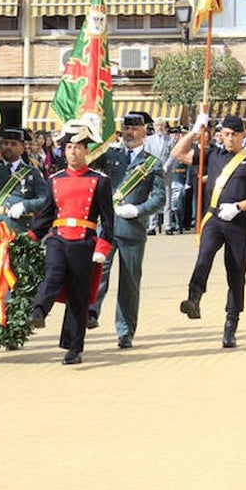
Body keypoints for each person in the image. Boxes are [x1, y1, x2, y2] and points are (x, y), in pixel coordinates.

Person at [173, 113, 246, 349]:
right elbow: (179, 153)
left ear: (242, 135)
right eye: (225, 134)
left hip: (237, 222)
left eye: (233, 135)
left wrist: (239, 206)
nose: (229, 139)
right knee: (204, 257)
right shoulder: (213, 155)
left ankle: (231, 324)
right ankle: (194, 299)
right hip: (214, 218)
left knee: (236, 274)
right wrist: (195, 131)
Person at [28, 120, 115, 365]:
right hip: (59, 236)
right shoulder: (54, 179)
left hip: (85, 241)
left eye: (78, 147)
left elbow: (108, 220)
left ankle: (73, 346)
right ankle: (39, 310)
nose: (73, 152)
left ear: (86, 150)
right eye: (68, 147)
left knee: (78, 295)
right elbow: (46, 214)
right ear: (63, 150)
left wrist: (103, 247)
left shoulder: (100, 181)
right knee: (53, 273)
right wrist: (31, 237)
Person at [90, 112, 164, 349]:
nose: (130, 132)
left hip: (132, 229)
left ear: (144, 131)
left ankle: (125, 330)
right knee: (98, 272)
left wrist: (139, 210)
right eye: (126, 128)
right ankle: (92, 311)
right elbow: (89, 158)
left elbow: (159, 198)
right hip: (107, 228)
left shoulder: (152, 163)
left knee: (129, 282)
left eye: (135, 128)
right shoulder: (110, 155)